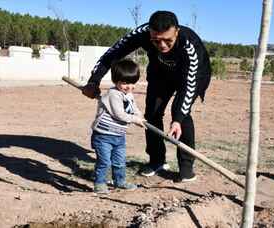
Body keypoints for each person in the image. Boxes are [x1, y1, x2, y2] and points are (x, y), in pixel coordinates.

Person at [83, 11, 211, 182]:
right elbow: (113, 53)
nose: (163, 45)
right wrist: (94, 81)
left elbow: (188, 86)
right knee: (152, 113)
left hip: (193, 76)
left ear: (177, 31)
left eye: (168, 40)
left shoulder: (190, 45)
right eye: (156, 41)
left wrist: (178, 119)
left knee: (181, 113)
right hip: (160, 74)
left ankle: (186, 166)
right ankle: (157, 160)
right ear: (149, 32)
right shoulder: (141, 33)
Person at [91, 59, 145, 194]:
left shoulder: (128, 95)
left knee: (119, 161)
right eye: (125, 83)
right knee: (104, 162)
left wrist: (140, 117)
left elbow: (134, 109)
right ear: (116, 81)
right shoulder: (113, 94)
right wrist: (134, 120)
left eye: (132, 83)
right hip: (103, 135)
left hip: (119, 135)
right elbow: (119, 114)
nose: (129, 86)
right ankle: (99, 183)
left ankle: (119, 182)